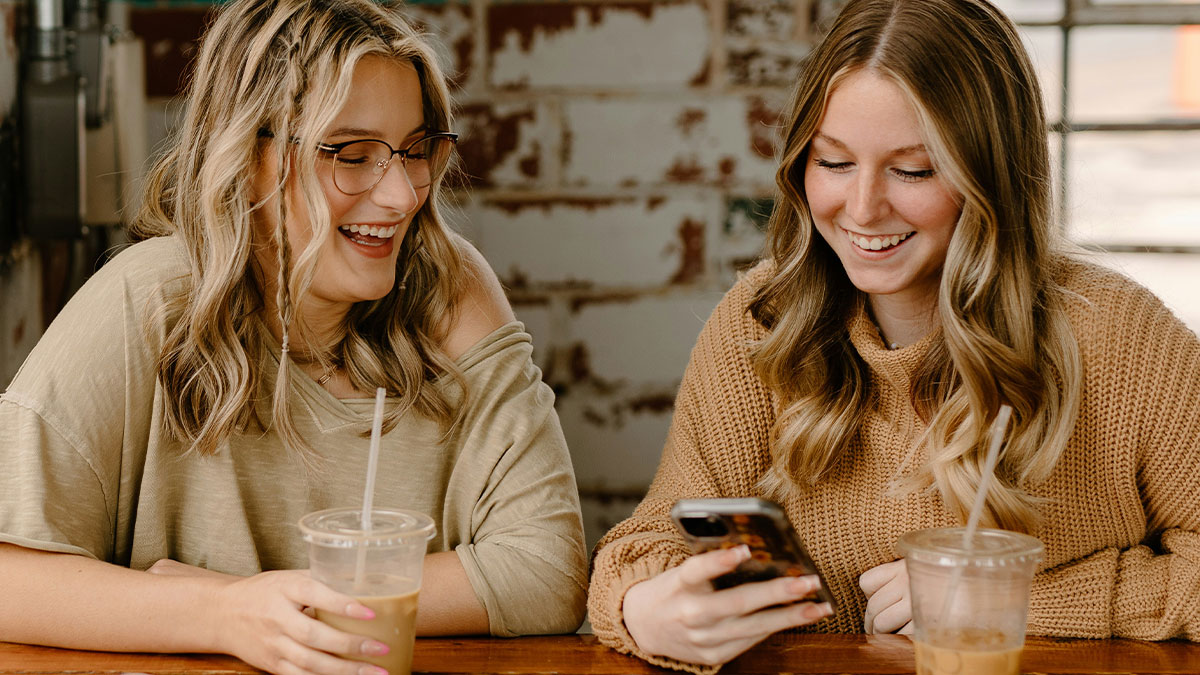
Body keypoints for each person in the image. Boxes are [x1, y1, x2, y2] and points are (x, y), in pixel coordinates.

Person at [586, 0, 1200, 671]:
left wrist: (1013, 599)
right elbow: (647, 543)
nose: (862, 208)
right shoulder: (763, 319)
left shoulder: (1121, 338)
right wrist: (645, 608)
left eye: (913, 170)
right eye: (833, 162)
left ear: (992, 176)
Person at [0, 0, 587, 672]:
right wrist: (224, 615)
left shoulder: (448, 287)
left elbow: (548, 570)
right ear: (247, 157)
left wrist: (270, 604)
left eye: (415, 150)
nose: (402, 195)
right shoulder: (147, 298)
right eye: (353, 155)